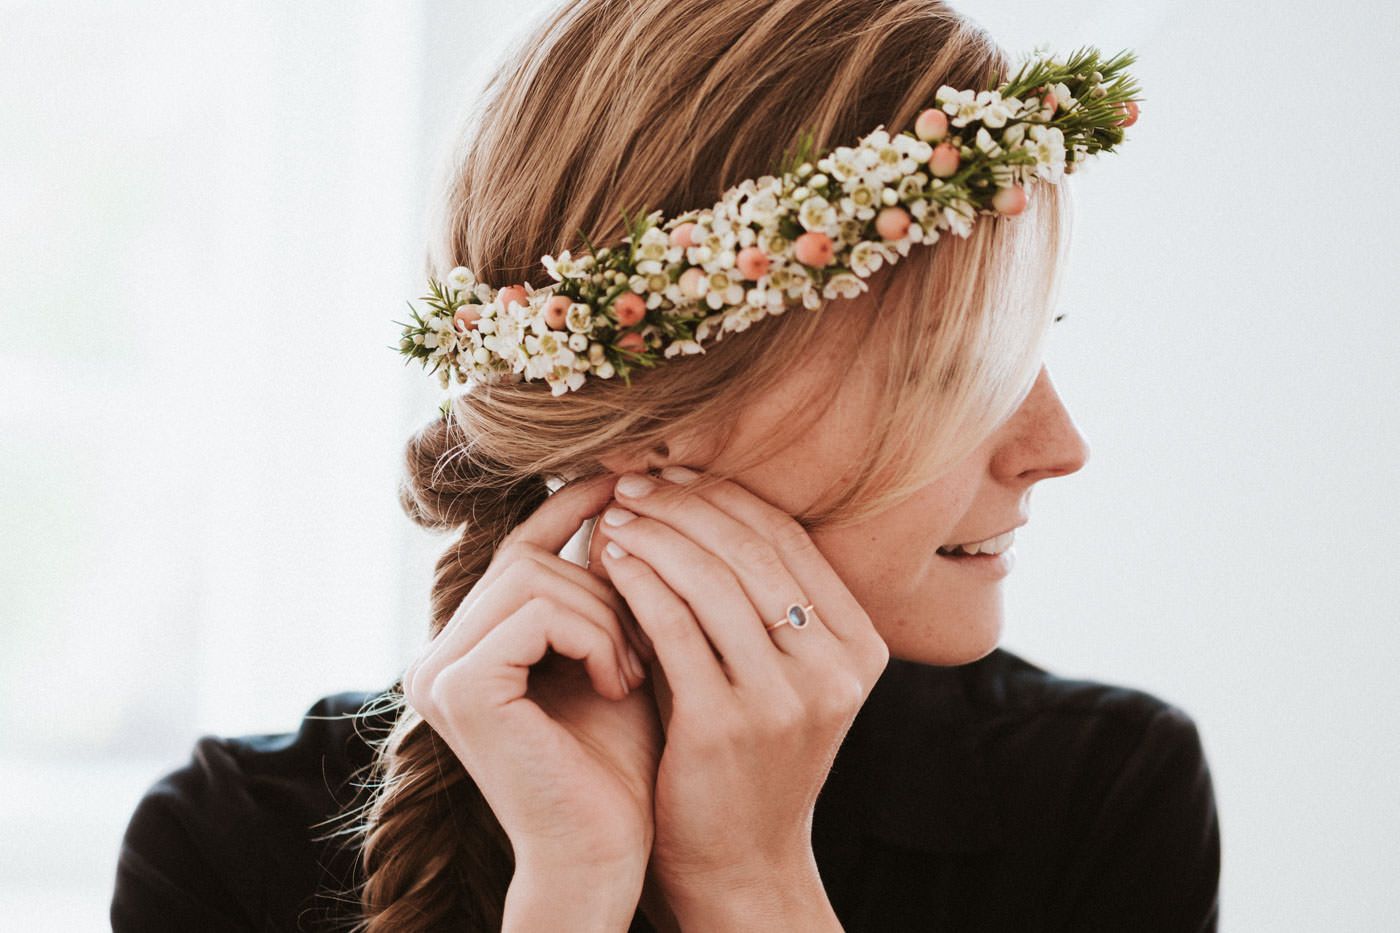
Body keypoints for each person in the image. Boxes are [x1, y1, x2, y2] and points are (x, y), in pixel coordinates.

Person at [111, 0, 1220, 930]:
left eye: (1037, 348)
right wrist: (571, 891)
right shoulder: (225, 846)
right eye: (955, 372)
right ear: (644, 423)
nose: (1055, 450)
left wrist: (752, 884)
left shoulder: (1097, 793)